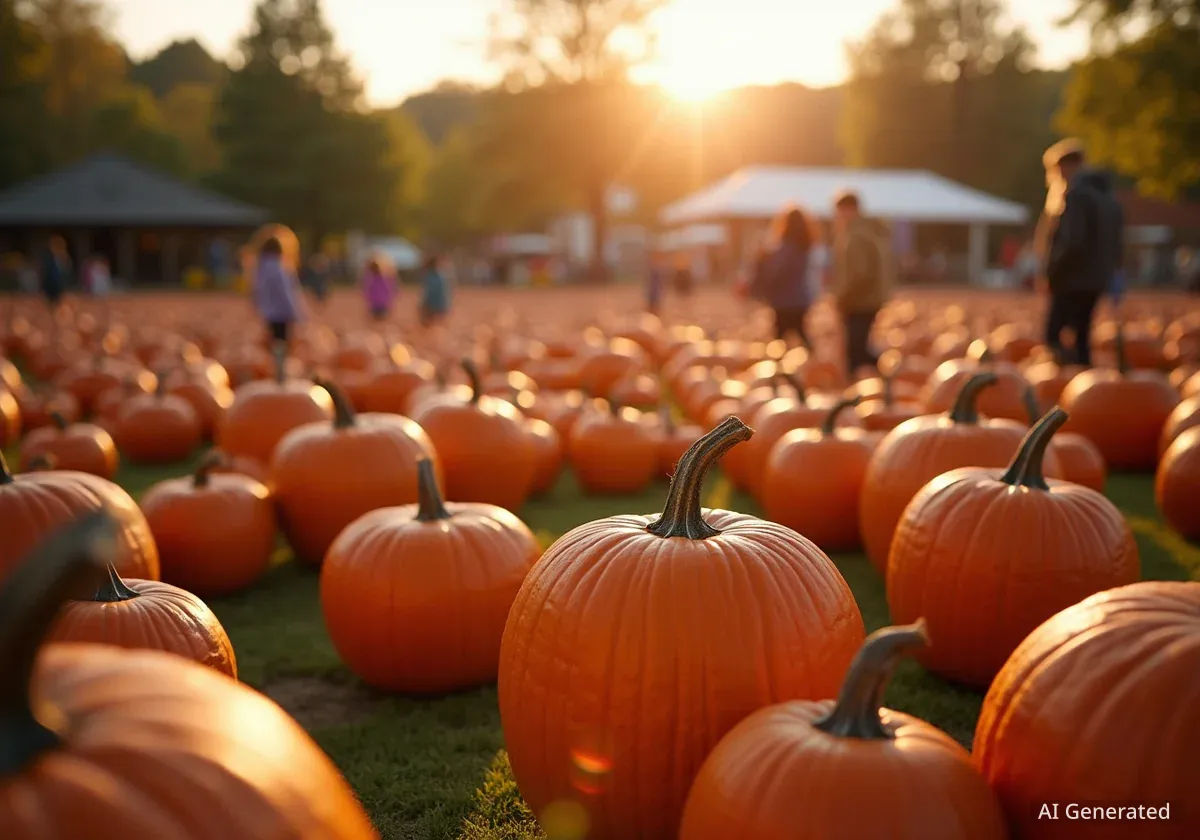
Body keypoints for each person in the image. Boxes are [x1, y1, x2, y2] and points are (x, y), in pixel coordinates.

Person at [1039, 139, 1123, 367]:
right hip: (1097, 278)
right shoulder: (1108, 198)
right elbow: (1117, 241)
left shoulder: (1076, 196)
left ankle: (1067, 374)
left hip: (1071, 278)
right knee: (1082, 333)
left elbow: (1071, 241)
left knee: (1053, 333)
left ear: (1068, 167)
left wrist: (1051, 271)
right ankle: (1082, 370)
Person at [830, 190, 893, 374]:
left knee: (855, 351)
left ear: (850, 210)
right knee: (859, 347)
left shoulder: (856, 235)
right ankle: (884, 374)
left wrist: (842, 297)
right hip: (868, 299)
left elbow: (860, 273)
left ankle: (886, 373)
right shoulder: (868, 231)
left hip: (859, 302)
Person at [750, 205, 819, 346]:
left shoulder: (786, 247)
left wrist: (763, 261)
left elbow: (776, 272)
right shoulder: (805, 246)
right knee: (800, 333)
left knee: (779, 339)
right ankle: (811, 356)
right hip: (801, 299)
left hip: (784, 300)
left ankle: (787, 359)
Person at [247, 225, 304, 367]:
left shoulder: (259, 268)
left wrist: (257, 306)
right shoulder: (281, 267)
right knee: (283, 342)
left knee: (274, 341)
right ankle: (281, 369)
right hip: (282, 312)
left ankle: (276, 367)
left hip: (268, 312)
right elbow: (286, 292)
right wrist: (297, 313)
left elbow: (256, 290)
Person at [361, 255, 398, 322]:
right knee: (378, 317)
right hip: (378, 306)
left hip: (380, 306)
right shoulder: (372, 279)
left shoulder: (374, 279)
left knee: (379, 317)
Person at [419, 252, 452, 327]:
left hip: (436, 303)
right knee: (431, 324)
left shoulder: (436, 275)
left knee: (433, 324)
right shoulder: (433, 276)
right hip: (433, 303)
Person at [39, 235, 71, 312]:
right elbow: (46, 274)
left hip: (60, 288)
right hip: (50, 288)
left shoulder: (64, 258)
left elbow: (66, 274)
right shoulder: (48, 259)